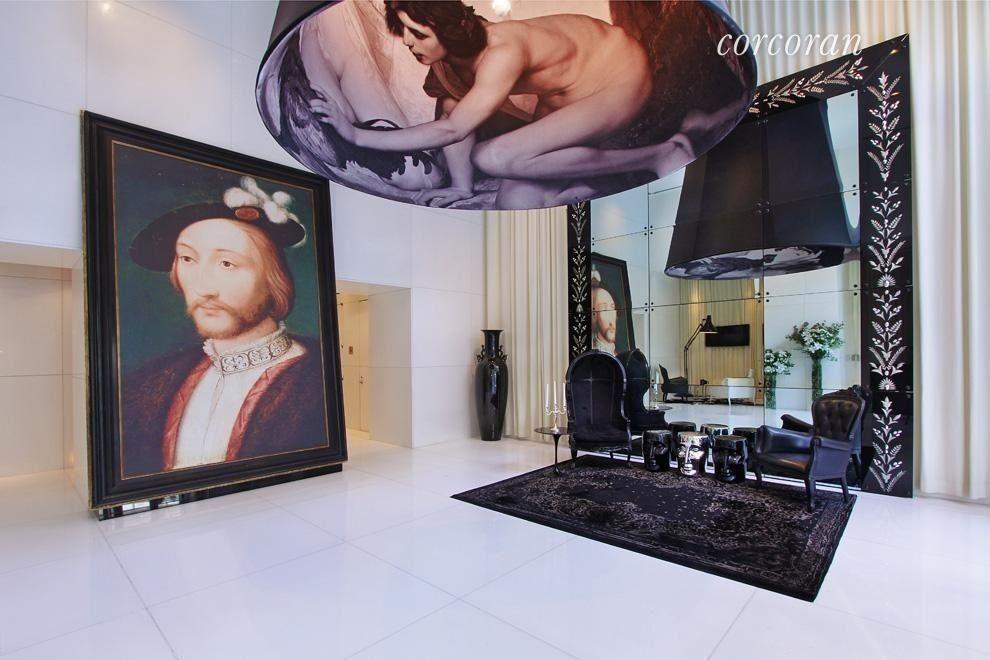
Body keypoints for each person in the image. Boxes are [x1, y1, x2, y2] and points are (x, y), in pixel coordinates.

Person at [309, 1, 739, 209]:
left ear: (446, 29)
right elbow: (451, 111)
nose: (407, 42)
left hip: (619, 77)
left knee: (494, 156)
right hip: (564, 92)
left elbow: (453, 131)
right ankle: (590, 183)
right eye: (402, 31)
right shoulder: (448, 59)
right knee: (515, 198)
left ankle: (659, 153)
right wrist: (461, 187)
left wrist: (354, 135)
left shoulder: (502, 51)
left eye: (417, 34)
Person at [120, 177, 329, 477]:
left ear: (273, 279)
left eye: (227, 263)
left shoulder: (318, 380)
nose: (204, 288)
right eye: (188, 259)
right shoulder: (149, 385)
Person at [591, 273, 619, 356]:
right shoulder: (591, 356)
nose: (611, 319)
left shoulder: (620, 355)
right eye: (604, 308)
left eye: (612, 307)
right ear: (594, 315)